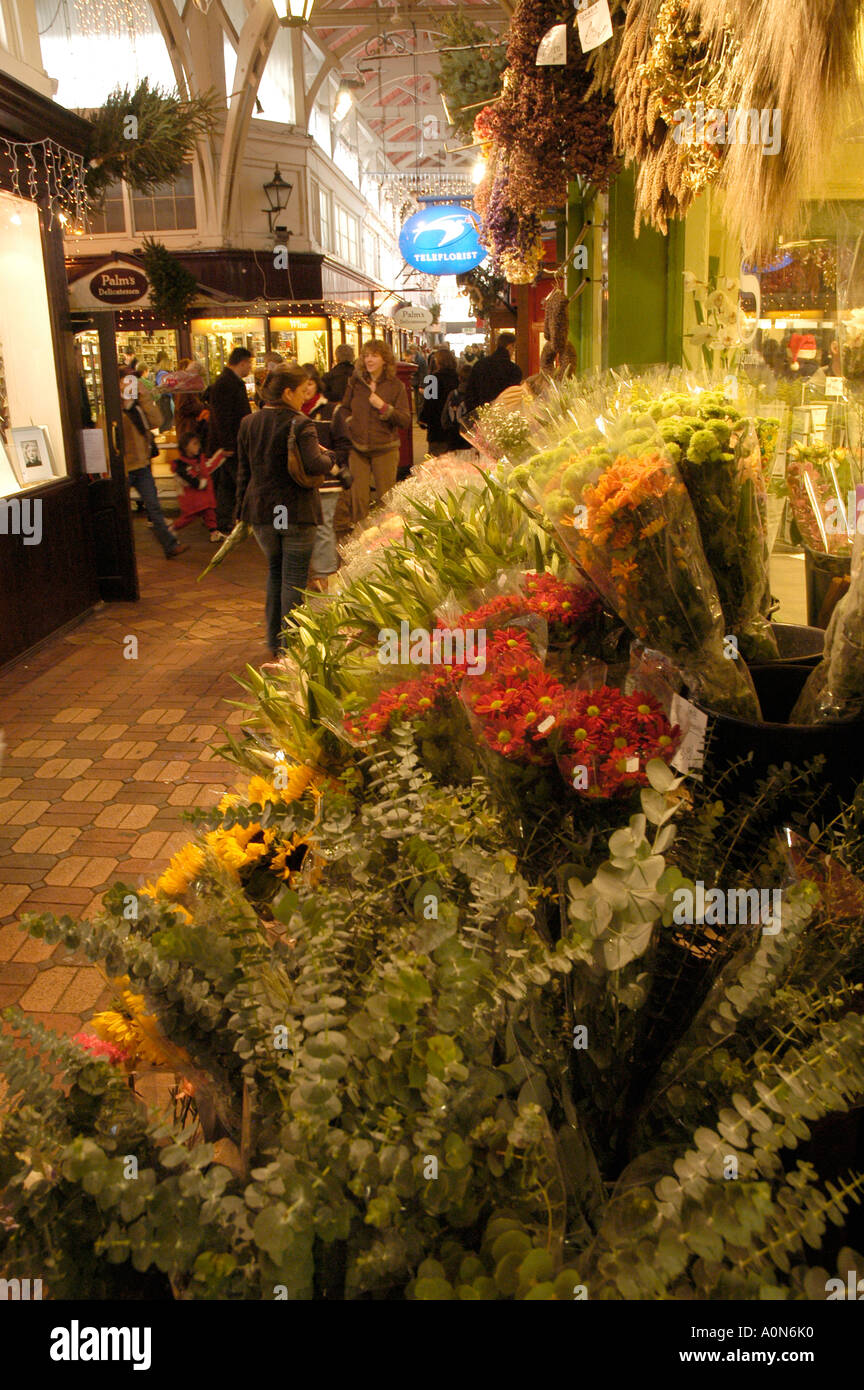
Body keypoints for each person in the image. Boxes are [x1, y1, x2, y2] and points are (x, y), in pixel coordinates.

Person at [235, 364, 347, 657]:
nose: (303, 397)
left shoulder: (249, 422)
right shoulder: (300, 423)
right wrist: (330, 455)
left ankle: (274, 642)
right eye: (300, 391)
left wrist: (239, 512)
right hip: (295, 510)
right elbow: (314, 464)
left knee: (275, 573)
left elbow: (243, 471)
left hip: (262, 512)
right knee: (293, 579)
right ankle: (290, 647)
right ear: (287, 392)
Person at [119, 363, 188, 559]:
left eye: (132, 380)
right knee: (121, 512)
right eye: (126, 380)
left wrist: (144, 397)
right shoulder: (114, 411)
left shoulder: (138, 407)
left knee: (154, 506)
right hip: (126, 466)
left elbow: (157, 421)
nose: (129, 385)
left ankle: (170, 545)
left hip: (142, 465)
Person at [341, 338, 411, 524]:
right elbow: (344, 408)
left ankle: (387, 541)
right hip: (357, 448)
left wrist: (384, 408)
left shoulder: (396, 386)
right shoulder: (355, 383)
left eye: (374, 356)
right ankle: (360, 541)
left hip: (385, 448)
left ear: (385, 360)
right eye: (366, 356)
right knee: (358, 499)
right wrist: (350, 423)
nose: (369, 360)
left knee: (386, 499)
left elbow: (405, 419)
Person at [209, 346, 254, 533]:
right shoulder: (227, 383)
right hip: (231, 444)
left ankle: (227, 520)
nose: (250, 368)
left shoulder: (227, 382)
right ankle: (241, 520)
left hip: (231, 443)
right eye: (249, 364)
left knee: (228, 485)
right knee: (239, 482)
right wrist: (228, 444)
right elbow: (223, 417)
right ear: (242, 363)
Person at [170, 430, 225, 541]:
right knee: (189, 517)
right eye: (194, 444)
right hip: (193, 499)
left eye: (198, 443)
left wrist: (221, 455)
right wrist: (200, 483)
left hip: (202, 497)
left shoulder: (199, 460)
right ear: (185, 446)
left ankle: (214, 532)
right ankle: (171, 529)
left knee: (209, 512)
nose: (198, 446)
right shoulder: (181, 465)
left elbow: (208, 466)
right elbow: (189, 478)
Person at [464, 331, 522, 412]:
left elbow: (470, 393)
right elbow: (513, 397)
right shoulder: (514, 370)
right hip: (504, 417)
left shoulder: (480, 365)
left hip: (482, 414)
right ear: (509, 346)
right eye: (514, 348)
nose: (513, 351)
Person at [418, 347, 459, 456]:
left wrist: (422, 419)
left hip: (436, 427)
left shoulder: (433, 378)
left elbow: (429, 403)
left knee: (437, 460)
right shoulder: (457, 377)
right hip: (454, 425)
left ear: (438, 362)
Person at [440, 362, 473, 451]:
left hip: (453, 434)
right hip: (469, 437)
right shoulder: (474, 396)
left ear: (459, 378)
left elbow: (444, 417)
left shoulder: (453, 394)